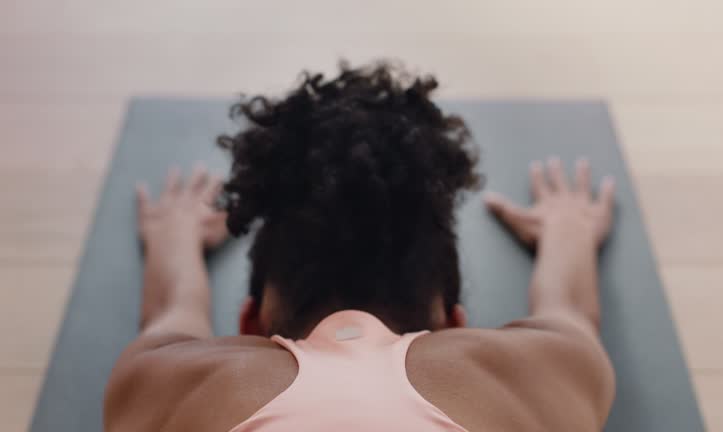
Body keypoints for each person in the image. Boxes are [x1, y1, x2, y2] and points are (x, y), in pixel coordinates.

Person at [104, 62, 616, 432]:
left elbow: (172, 315)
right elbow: (568, 312)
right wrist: (568, 227)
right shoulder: (542, 368)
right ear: (457, 325)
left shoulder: (165, 378)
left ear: (250, 324)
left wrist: (175, 234)